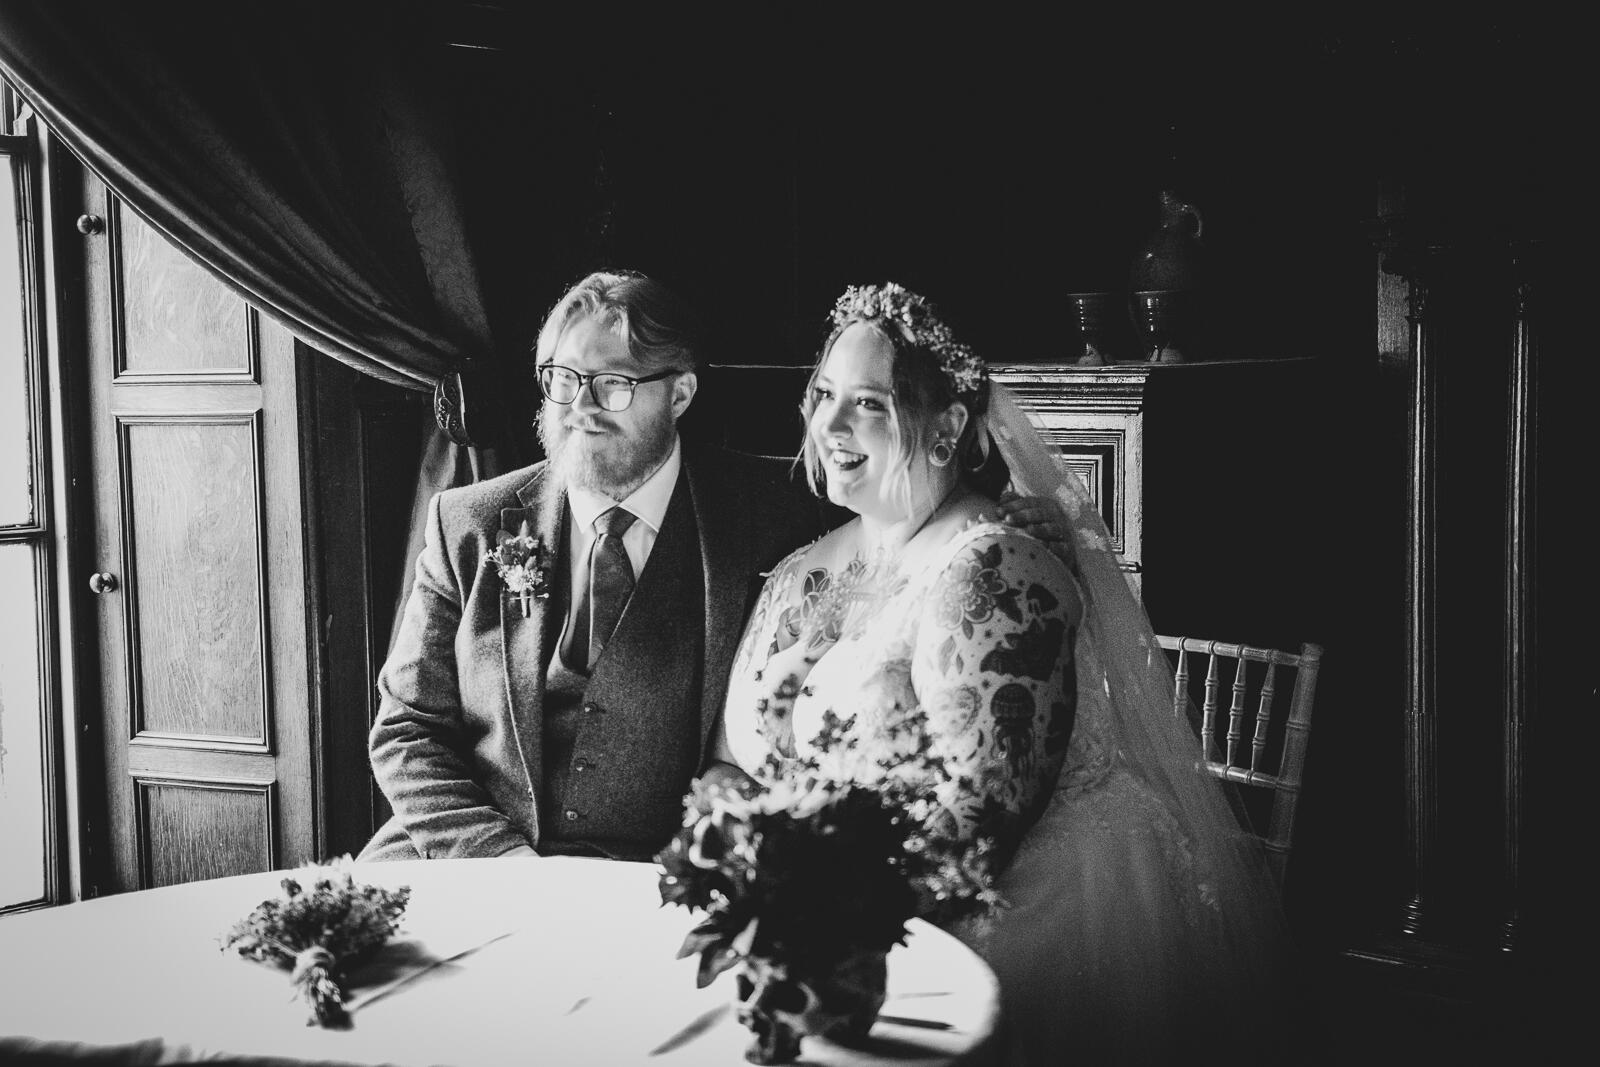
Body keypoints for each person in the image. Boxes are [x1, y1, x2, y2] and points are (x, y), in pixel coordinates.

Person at [716, 282, 1291, 1065]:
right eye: (823, 395)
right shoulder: (806, 565)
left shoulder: (997, 570)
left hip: (1026, 929)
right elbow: (738, 751)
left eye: (870, 403)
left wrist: (810, 920)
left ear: (949, 427)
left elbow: (976, 828)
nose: (830, 424)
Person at [360, 270, 1064, 863]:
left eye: (612, 383)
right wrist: (498, 862)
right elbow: (405, 729)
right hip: (462, 858)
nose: (579, 408)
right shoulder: (468, 522)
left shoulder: (771, 516)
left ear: (681, 394)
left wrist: (1022, 525)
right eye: (562, 379)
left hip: (647, 882)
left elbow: (914, 519)